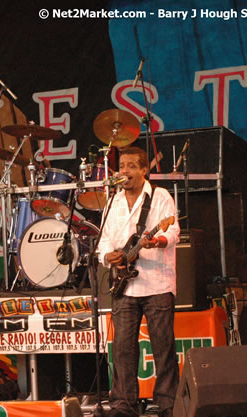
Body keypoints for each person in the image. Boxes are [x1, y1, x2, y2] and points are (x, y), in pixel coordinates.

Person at [98, 147, 180, 417]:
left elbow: (174, 230)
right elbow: (105, 242)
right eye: (121, 166)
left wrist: (156, 240)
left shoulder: (160, 197)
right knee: (122, 349)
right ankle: (124, 405)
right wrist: (109, 257)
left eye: (132, 166)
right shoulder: (113, 202)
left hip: (157, 282)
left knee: (163, 347)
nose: (125, 171)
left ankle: (168, 405)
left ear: (144, 170)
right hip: (125, 285)